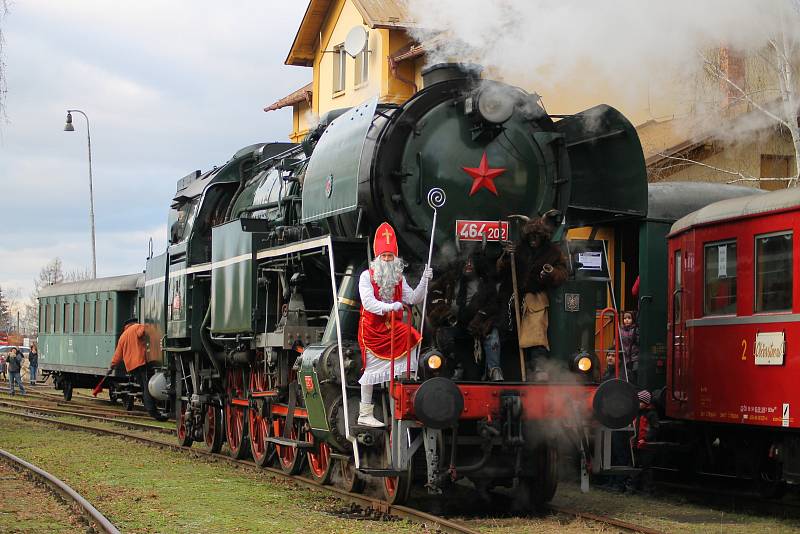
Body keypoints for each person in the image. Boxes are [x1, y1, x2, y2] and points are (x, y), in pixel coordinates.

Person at [357, 222, 432, 427]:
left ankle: (409, 382)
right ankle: (364, 413)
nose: (388, 260)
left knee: (412, 335)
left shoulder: (399, 278)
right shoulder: (366, 277)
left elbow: (414, 299)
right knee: (371, 369)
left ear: (395, 258)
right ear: (378, 258)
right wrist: (389, 307)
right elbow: (368, 303)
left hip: (393, 327)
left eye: (391, 257)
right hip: (372, 328)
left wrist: (425, 281)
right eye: (385, 257)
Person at [496, 213, 568, 380]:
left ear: (543, 237)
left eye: (537, 236)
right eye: (531, 236)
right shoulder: (519, 249)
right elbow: (501, 270)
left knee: (536, 332)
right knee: (509, 333)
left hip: (535, 298)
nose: (533, 240)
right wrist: (507, 256)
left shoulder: (553, 252)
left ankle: (538, 368)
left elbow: (562, 273)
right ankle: (510, 371)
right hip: (513, 298)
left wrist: (551, 273)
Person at [427, 250, 503, 381]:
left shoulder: (487, 284)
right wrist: (442, 310)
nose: (468, 265)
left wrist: (481, 317)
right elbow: (434, 292)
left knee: (493, 335)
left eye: (472, 262)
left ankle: (494, 369)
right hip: (456, 324)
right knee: (444, 335)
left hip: (479, 324)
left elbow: (493, 305)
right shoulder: (452, 279)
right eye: (466, 262)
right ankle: (455, 367)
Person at [109, 318, 166, 421]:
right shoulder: (136, 327)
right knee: (148, 387)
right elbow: (143, 331)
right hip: (141, 363)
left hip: (132, 367)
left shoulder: (122, 337)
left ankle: (152, 410)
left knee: (144, 387)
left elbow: (117, 355)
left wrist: (112, 366)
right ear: (133, 323)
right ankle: (154, 413)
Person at [620, 311, 640, 384]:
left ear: (633, 319)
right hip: (625, 356)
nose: (627, 320)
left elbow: (639, 342)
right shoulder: (621, 330)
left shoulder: (635, 329)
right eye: (625, 318)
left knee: (635, 371)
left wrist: (636, 337)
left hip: (635, 356)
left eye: (629, 318)